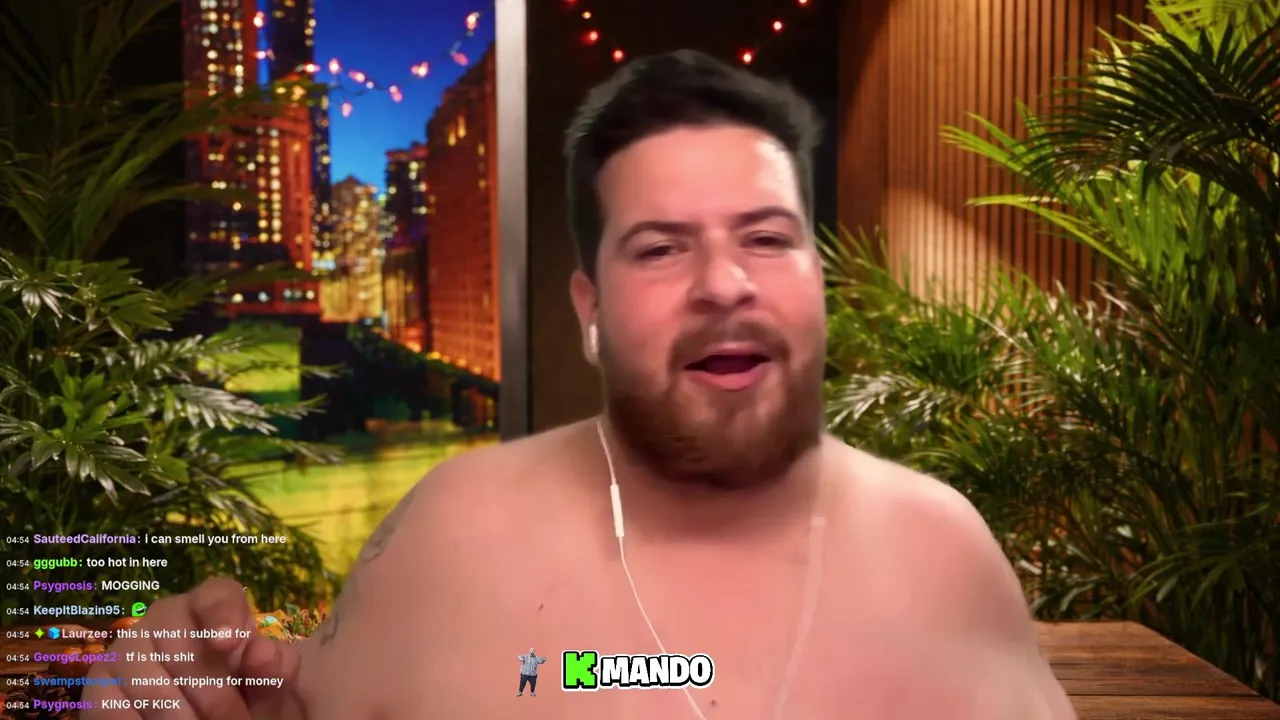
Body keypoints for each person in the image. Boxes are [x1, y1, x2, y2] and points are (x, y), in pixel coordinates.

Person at [83, 49, 1077, 719]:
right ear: (590, 308)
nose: (724, 283)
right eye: (661, 248)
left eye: (766, 239)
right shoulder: (449, 533)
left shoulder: (940, 548)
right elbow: (276, 698)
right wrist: (165, 684)